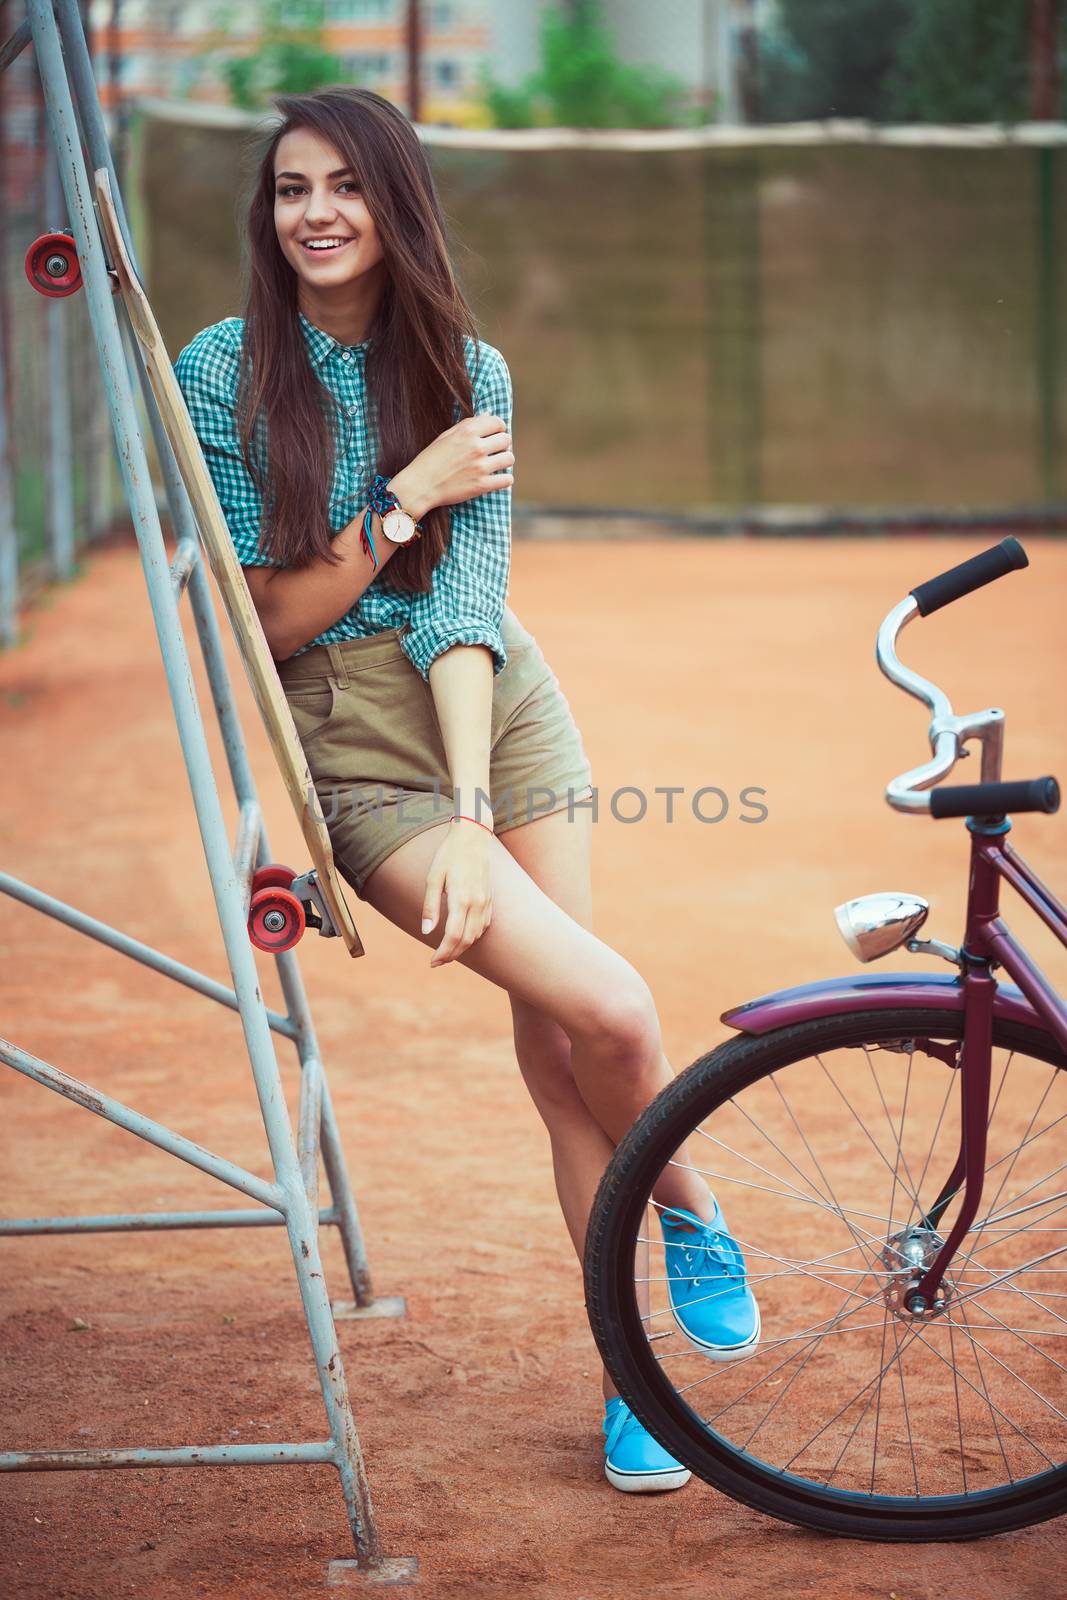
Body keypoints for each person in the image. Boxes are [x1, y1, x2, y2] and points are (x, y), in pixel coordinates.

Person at [174, 86, 759, 1494]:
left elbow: (464, 611)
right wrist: (402, 496)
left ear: (395, 203)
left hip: (491, 714)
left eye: (343, 187)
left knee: (564, 1050)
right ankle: (692, 1211)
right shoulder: (220, 369)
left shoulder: (470, 369)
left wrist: (475, 808)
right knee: (609, 1007)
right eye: (289, 189)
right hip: (357, 755)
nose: (313, 213)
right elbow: (268, 622)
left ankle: (633, 1379)